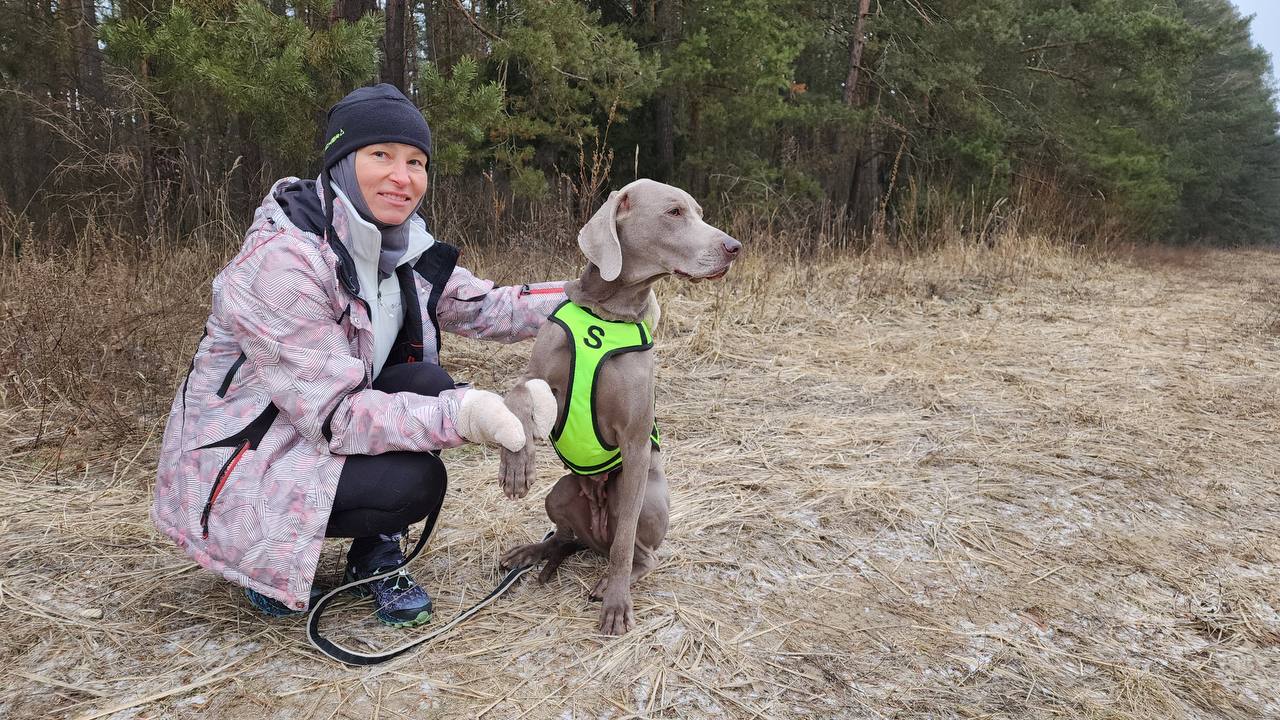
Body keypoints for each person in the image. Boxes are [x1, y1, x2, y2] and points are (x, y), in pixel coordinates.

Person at [151, 84, 566, 627]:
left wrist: (597, 295)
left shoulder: (398, 247)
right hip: (245, 461)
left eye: (416, 161)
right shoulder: (283, 263)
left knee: (422, 377)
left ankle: (372, 558)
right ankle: (261, 561)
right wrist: (464, 414)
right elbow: (335, 417)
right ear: (342, 163)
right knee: (413, 481)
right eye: (382, 156)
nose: (403, 176)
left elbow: (487, 307)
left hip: (312, 431)